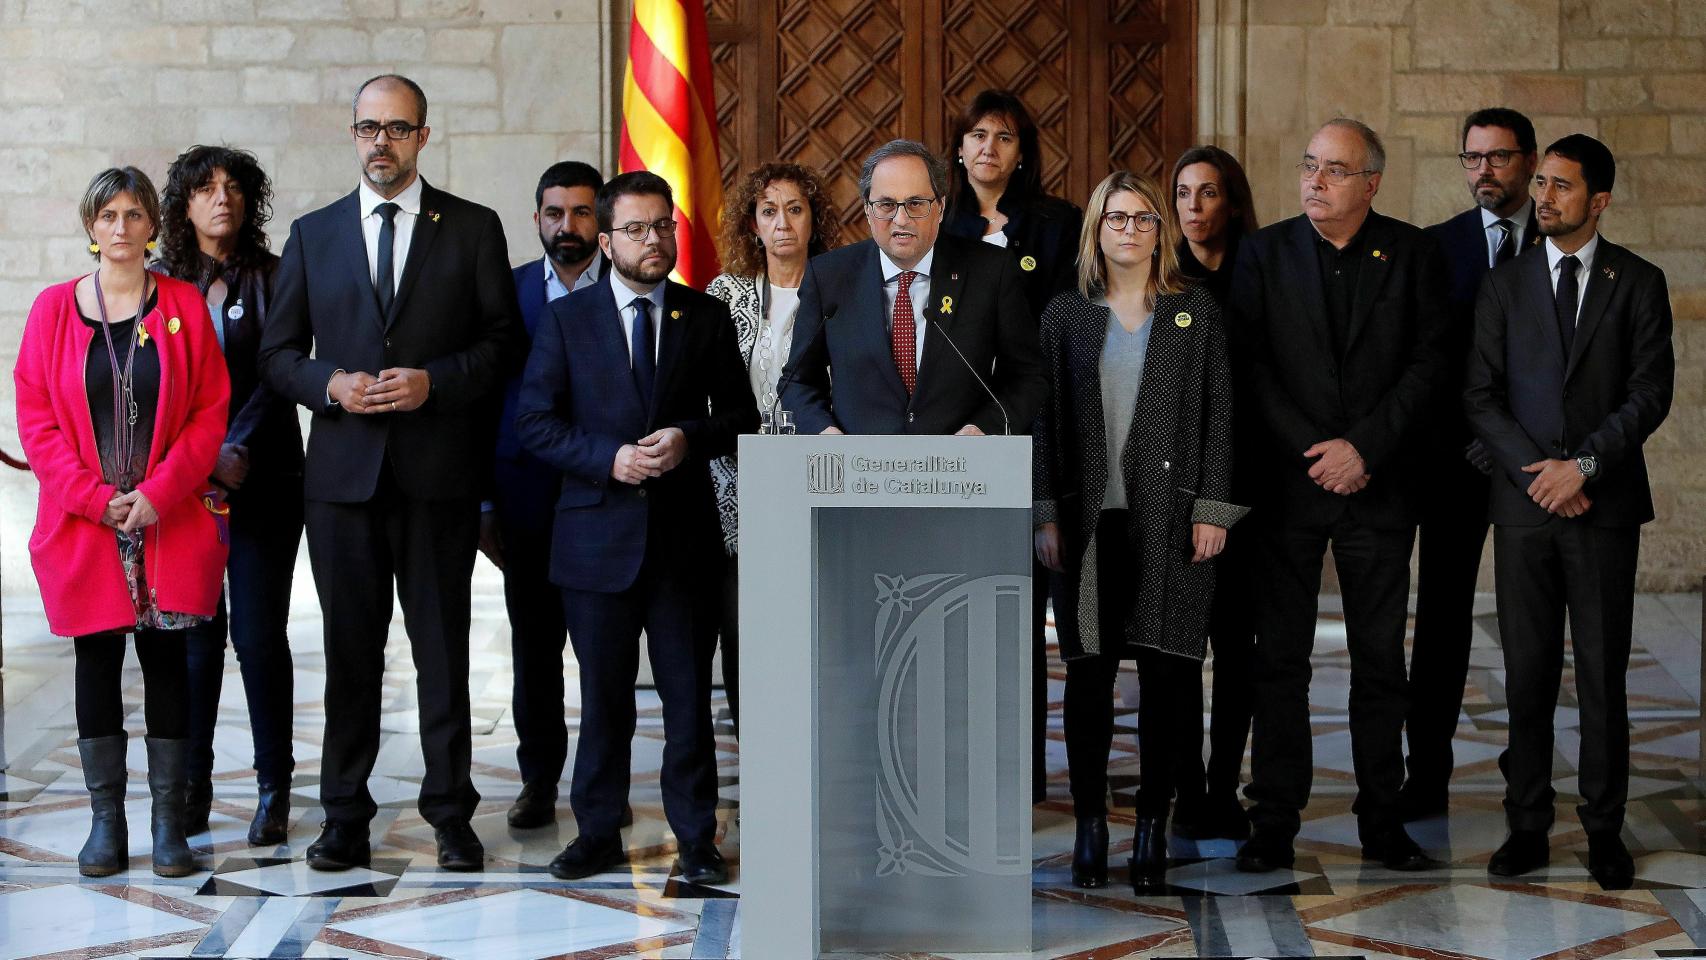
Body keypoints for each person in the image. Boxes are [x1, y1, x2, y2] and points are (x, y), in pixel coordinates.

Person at [258, 74, 523, 872]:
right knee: (348, 654)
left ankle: (451, 814)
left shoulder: (472, 229)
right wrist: (330, 385)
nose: (382, 141)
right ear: (352, 135)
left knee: (443, 652)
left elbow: (504, 344)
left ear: (423, 138)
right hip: (341, 483)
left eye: (398, 129)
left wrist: (433, 381)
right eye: (369, 128)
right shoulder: (313, 233)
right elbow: (276, 356)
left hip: (437, 478)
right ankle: (344, 815)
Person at [517, 171, 758, 885]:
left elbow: (741, 418)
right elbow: (534, 422)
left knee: (688, 702)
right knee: (604, 702)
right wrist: (606, 459)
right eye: (636, 229)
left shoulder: (703, 316)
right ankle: (596, 833)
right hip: (596, 542)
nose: (654, 241)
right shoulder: (566, 320)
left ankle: (696, 841)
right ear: (606, 238)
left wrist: (688, 436)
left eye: (663, 227)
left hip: (683, 546)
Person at [1229, 118, 1449, 874]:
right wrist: (1315, 452)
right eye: (1308, 165)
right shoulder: (1263, 253)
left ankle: (1382, 821)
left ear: (1372, 184)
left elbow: (1429, 363)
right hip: (1289, 490)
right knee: (1279, 661)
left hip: (1378, 488)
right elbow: (1250, 366)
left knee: (1381, 664)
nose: (1314, 181)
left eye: (1334, 170)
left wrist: (1366, 448)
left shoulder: (1415, 255)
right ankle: (1274, 821)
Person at [1465, 134, 1673, 890]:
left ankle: (1604, 829)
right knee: (1524, 673)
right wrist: (1541, 476)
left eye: (1561, 186)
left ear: (1601, 200)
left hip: (1604, 506)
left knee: (1601, 673)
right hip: (1525, 510)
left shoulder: (1639, 282)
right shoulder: (1505, 285)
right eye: (1542, 183)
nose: (1544, 197)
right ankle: (1526, 825)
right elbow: (1480, 397)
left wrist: (1582, 466)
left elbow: (1649, 394)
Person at [14, 167, 230, 877]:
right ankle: (106, 824)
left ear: (152, 228)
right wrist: (89, 496)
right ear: (89, 226)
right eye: (107, 214)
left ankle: (169, 826)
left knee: (169, 665)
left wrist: (161, 493)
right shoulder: (52, 311)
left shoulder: (184, 306)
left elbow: (207, 413)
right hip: (88, 524)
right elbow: (37, 418)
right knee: (96, 665)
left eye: (134, 214)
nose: (120, 227)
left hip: (165, 522)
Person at [1033, 171, 1242, 890]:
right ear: (1096, 229)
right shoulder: (1066, 315)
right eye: (1115, 218)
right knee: (1088, 679)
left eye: (1143, 218)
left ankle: (1153, 829)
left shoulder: (1196, 312)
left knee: (1170, 678)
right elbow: (1044, 425)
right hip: (1090, 523)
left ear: (1162, 230)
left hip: (1174, 522)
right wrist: (1046, 513)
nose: (1129, 229)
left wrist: (1214, 510)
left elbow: (1221, 415)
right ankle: (1092, 827)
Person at [158, 145, 303, 847]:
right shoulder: (158, 284)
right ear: (182, 206)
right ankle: (192, 782)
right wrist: (205, 459)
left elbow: (280, 372)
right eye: (207, 188)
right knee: (195, 639)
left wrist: (235, 448)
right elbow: (152, 387)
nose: (224, 199)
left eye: (235, 188)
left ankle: (274, 786)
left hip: (267, 479)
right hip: (186, 487)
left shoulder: (276, 278)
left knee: (256, 635)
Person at [941, 89, 1083, 803]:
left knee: (1029, 608)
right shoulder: (936, 224)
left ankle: (1025, 774)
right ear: (959, 148)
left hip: (1041, 425)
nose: (989, 147)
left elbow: (1066, 323)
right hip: (961, 434)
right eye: (977, 135)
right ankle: (964, 764)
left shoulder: (1057, 224)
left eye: (1004, 136)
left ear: (1022, 151)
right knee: (967, 603)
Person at [1405, 108, 1541, 820]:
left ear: (1529, 162)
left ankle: (1529, 776)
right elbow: (1429, 360)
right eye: (1472, 158)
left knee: (1532, 624)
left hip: (1537, 470)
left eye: (1498, 157)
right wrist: (1471, 436)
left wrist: (1514, 442)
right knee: (1442, 621)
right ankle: (1425, 773)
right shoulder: (1436, 248)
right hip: (1454, 465)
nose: (1484, 170)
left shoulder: (1561, 242)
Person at [487, 160, 608, 830]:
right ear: (536, 218)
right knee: (535, 647)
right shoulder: (504, 295)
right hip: (524, 497)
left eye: (582, 212)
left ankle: (602, 784)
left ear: (602, 219)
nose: (568, 226)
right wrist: (482, 504)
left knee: (603, 649)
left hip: (603, 497)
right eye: (555, 213)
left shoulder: (628, 289)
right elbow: (485, 402)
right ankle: (539, 781)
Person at [781, 138, 1047, 437]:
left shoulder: (991, 271)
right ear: (868, 211)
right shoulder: (829, 276)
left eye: (916, 204)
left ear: (941, 208)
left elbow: (1027, 377)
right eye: (886, 205)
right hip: (857, 471)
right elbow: (797, 381)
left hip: (960, 470)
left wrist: (984, 428)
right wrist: (824, 432)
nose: (901, 219)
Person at [704, 161, 841, 733]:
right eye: (768, 211)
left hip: (814, 481)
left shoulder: (842, 295)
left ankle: (812, 756)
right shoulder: (723, 295)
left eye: (794, 209)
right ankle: (756, 758)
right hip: (735, 487)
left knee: (814, 629)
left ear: (814, 220)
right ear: (751, 225)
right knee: (742, 630)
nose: (782, 223)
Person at [1167, 145, 1262, 840]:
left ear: (1232, 202)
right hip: (1174, 492)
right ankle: (1185, 791)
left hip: (1249, 488)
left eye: (1208, 193)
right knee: (1176, 652)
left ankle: (1225, 786)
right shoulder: (1161, 281)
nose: (1194, 208)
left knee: (1237, 648)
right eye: (1183, 194)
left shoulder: (1265, 272)